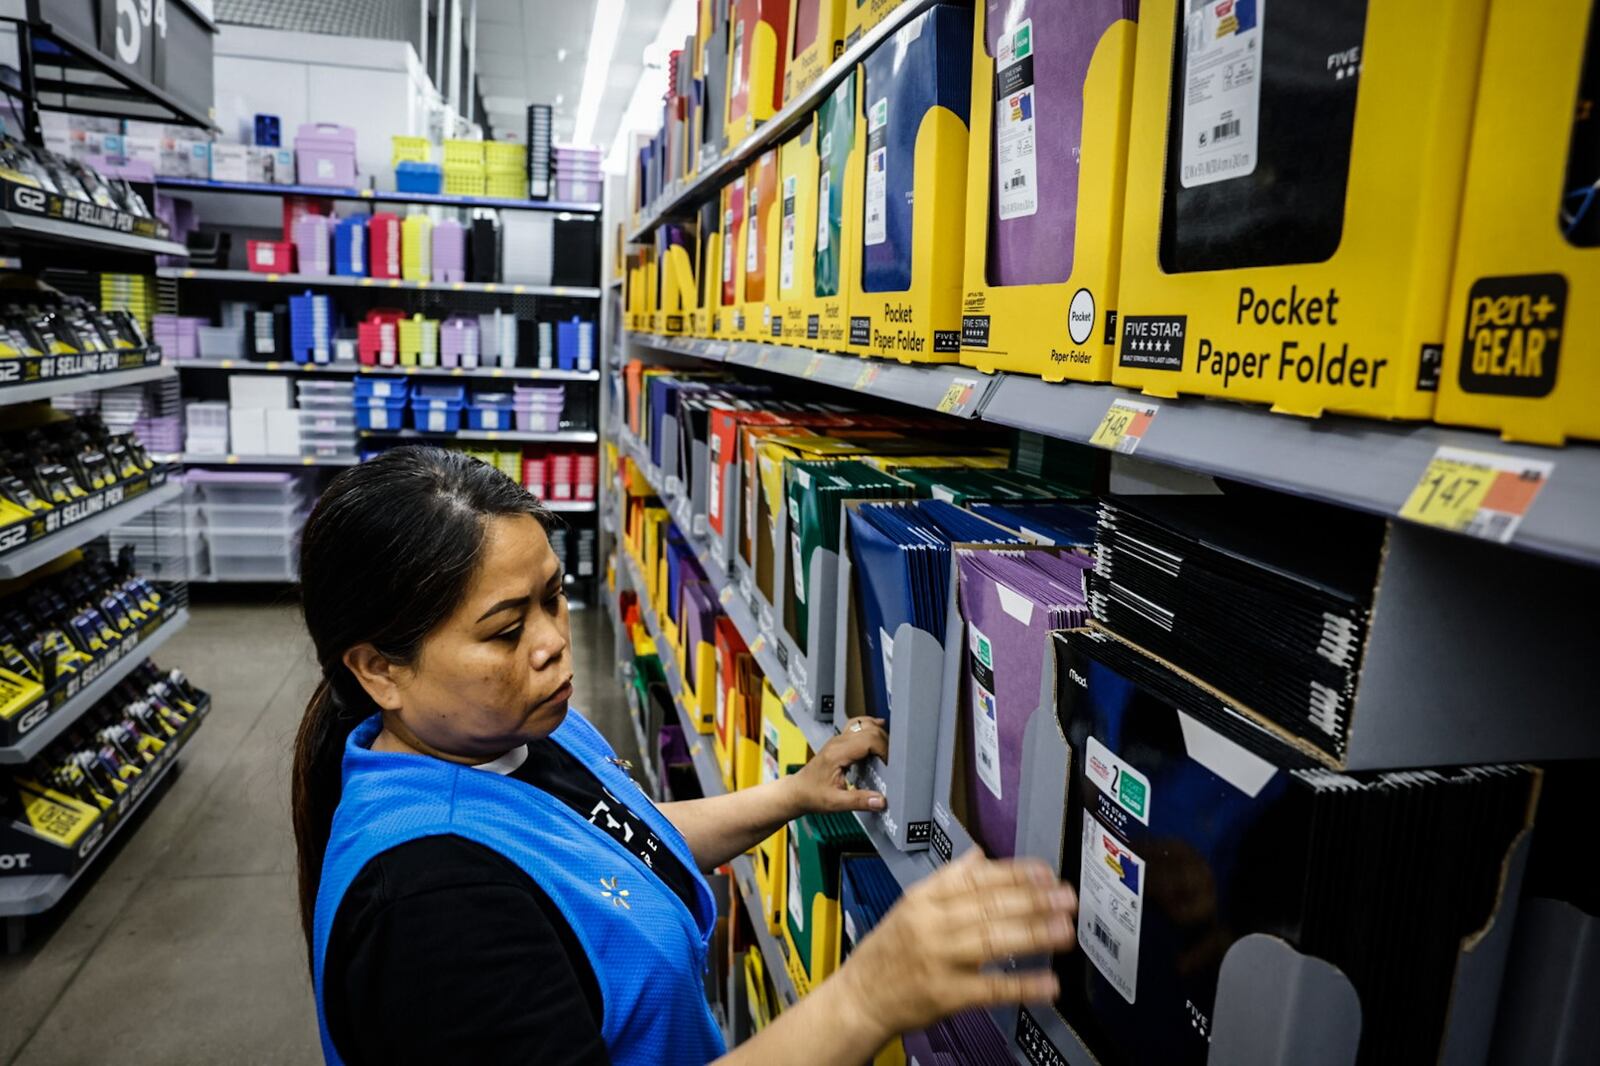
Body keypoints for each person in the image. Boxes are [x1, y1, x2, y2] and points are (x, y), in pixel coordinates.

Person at [292, 446, 1078, 1066]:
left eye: (552, 596)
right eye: (505, 630)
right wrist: (867, 998)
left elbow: (611, 843)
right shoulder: (431, 911)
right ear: (379, 669)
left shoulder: (511, 734)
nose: (553, 642)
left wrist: (793, 794)